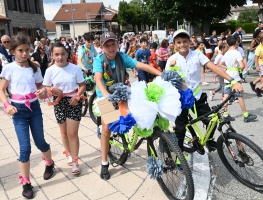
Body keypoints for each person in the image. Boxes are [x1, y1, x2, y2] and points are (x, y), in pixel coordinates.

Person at [93, 32, 161, 180]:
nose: (111, 48)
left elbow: (141, 65)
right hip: (105, 96)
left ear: (118, 44)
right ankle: (104, 163)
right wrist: (107, 96)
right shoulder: (99, 60)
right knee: (106, 128)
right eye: (107, 45)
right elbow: (98, 80)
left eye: (113, 44)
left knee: (142, 111)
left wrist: (160, 74)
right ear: (102, 47)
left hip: (122, 92)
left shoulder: (122, 57)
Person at [166, 29, 244, 154]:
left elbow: (213, 67)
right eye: (178, 42)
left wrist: (233, 81)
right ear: (174, 44)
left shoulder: (197, 55)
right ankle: (179, 157)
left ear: (190, 42)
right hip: (180, 99)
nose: (182, 44)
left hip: (197, 95)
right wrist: (170, 67)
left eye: (184, 41)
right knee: (180, 130)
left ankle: (209, 140)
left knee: (211, 119)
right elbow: (167, 81)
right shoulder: (171, 59)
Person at [0, 33, 54, 199]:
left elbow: (41, 88)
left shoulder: (34, 67)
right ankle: (26, 182)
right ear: (13, 51)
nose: (24, 54)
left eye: (26, 50)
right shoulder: (9, 68)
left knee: (40, 142)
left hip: (35, 109)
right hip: (18, 111)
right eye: (20, 50)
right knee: (25, 149)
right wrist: (7, 105)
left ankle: (50, 164)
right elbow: (1, 90)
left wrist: (42, 92)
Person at [43, 42, 86, 175]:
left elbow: (83, 85)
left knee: (72, 133)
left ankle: (75, 160)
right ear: (52, 55)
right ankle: (68, 153)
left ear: (68, 54)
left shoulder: (75, 68)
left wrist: (78, 96)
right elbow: (45, 87)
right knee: (63, 132)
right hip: (59, 102)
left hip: (74, 101)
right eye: (56, 54)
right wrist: (51, 89)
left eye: (62, 54)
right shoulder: (50, 70)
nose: (60, 57)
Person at [219, 36, 257, 122]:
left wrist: (228, 68)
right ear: (236, 43)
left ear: (227, 44)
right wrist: (239, 69)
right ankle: (245, 115)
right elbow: (241, 65)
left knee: (225, 96)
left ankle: (225, 114)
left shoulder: (226, 54)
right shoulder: (237, 53)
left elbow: (220, 64)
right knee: (240, 96)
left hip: (227, 76)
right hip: (235, 77)